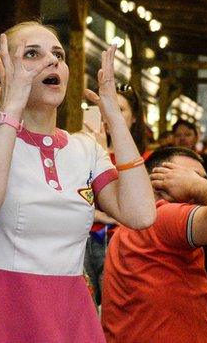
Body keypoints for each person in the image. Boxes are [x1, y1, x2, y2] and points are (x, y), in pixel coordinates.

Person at [0, 21, 156, 342]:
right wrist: (10, 107)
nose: (52, 61)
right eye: (32, 54)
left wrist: (115, 118)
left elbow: (141, 214)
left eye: (59, 55)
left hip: (70, 310)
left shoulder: (85, 148)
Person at [101, 147, 207, 343]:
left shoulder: (138, 225)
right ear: (157, 182)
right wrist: (195, 185)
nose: (199, 189)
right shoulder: (161, 217)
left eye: (201, 180)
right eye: (188, 177)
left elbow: (174, 321)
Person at [83, 83, 150, 306]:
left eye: (118, 109)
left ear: (134, 117)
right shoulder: (83, 151)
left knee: (117, 309)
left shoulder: (146, 159)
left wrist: (104, 153)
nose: (107, 116)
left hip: (122, 243)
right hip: (83, 240)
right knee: (86, 307)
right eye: (102, 109)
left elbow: (133, 204)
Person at [173, 119, 207, 187]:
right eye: (178, 135)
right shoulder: (167, 162)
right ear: (173, 139)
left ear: (196, 138)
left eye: (188, 135)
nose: (182, 138)